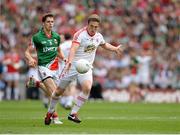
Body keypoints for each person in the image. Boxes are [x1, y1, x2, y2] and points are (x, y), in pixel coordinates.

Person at [44, 14, 124, 125]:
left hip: (86, 67)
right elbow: (73, 49)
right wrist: (70, 61)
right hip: (73, 66)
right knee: (58, 92)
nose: (93, 29)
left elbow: (104, 45)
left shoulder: (98, 36)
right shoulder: (80, 34)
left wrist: (114, 49)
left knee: (87, 88)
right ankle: (49, 112)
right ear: (87, 25)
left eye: (96, 27)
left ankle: (73, 113)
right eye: (91, 26)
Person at [25, 13, 65, 125]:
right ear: (43, 23)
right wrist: (31, 59)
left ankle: (37, 84)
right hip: (43, 67)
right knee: (54, 92)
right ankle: (54, 116)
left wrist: (65, 59)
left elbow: (58, 51)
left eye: (52, 22)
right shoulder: (37, 37)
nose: (51, 24)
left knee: (54, 93)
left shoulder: (56, 37)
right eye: (48, 22)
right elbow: (27, 52)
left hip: (55, 68)